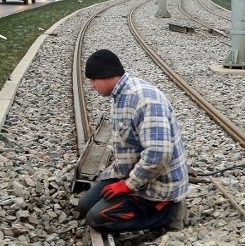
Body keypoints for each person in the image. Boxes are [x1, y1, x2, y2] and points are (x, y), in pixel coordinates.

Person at [77, 49, 189, 233]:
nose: (90, 85)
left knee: (97, 219)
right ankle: (142, 202)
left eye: (92, 80)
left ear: (106, 76)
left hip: (158, 187)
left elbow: (158, 154)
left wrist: (128, 186)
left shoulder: (144, 101)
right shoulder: (120, 96)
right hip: (134, 175)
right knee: (85, 206)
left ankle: (168, 214)